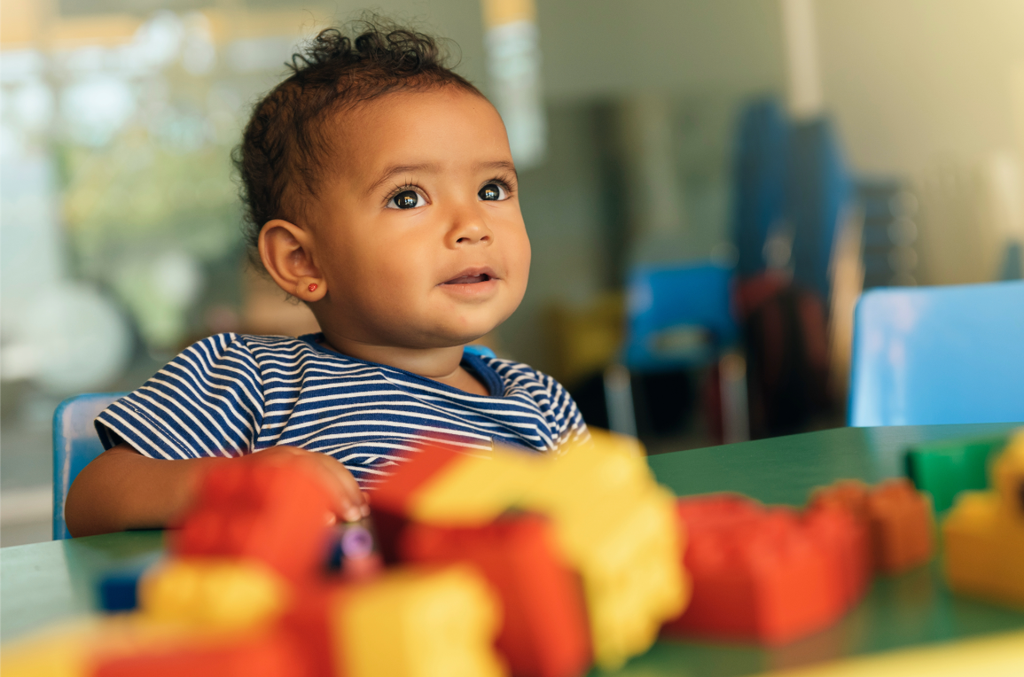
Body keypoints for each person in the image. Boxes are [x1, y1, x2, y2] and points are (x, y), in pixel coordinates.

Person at [64, 21, 589, 538]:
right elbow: (93, 498)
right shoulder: (250, 380)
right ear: (302, 261)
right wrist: (235, 481)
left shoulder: (540, 402)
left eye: (493, 189)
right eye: (408, 197)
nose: (472, 225)